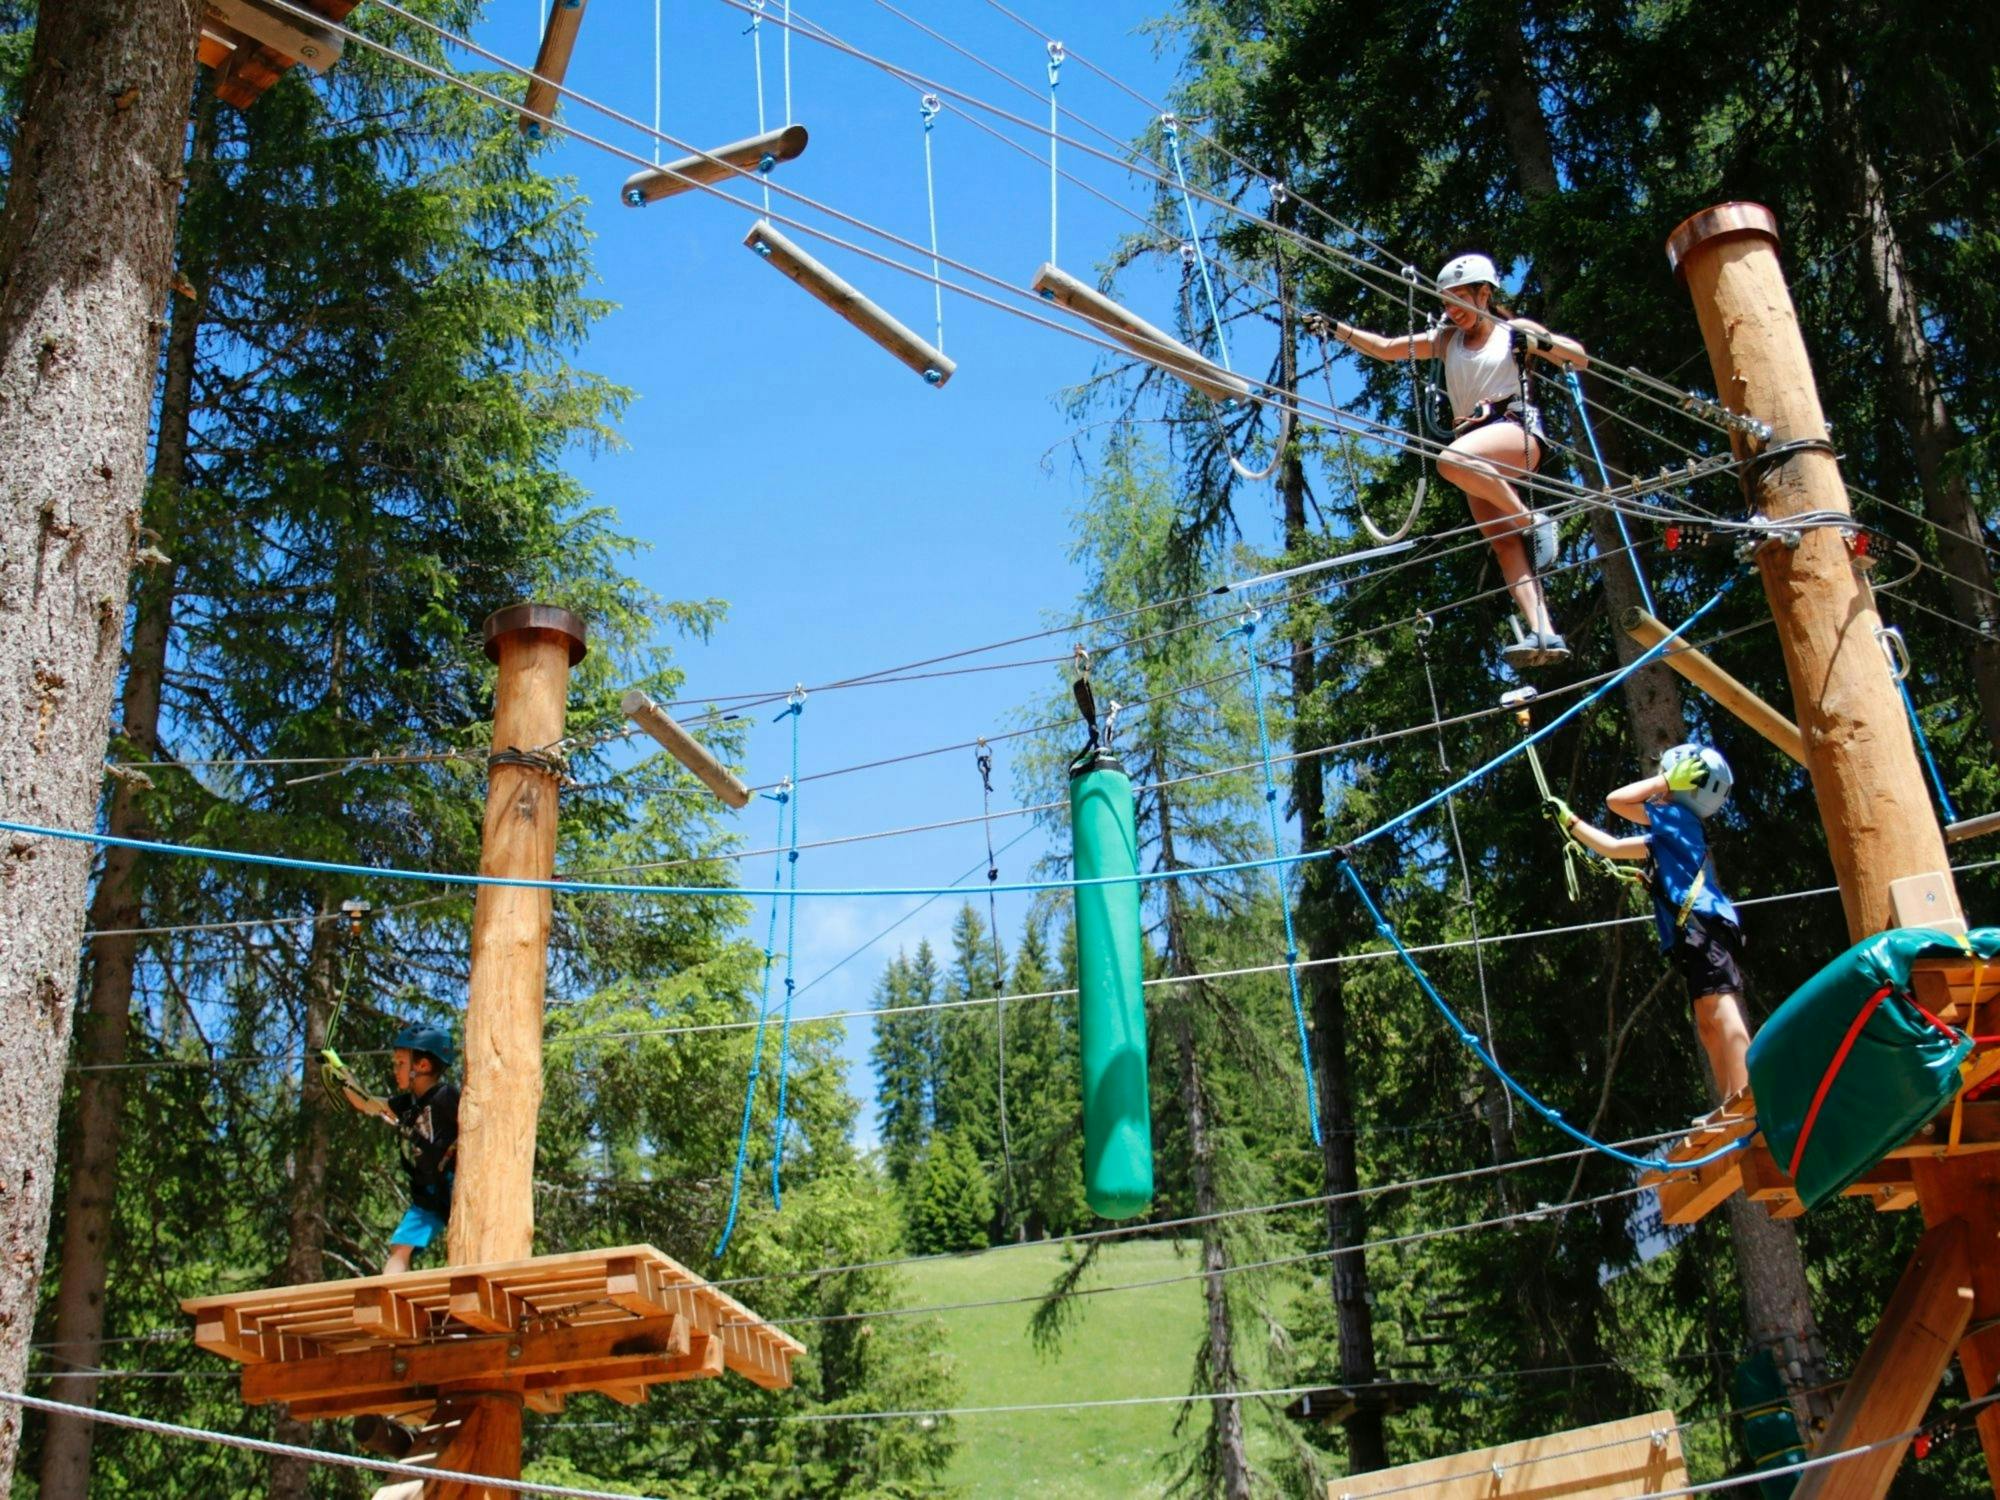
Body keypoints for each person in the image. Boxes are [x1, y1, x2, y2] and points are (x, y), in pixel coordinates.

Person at [1317, 253, 1589, 667]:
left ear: (1485, 294)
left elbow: (1580, 358)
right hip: (1474, 450)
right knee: (1502, 545)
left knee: (1449, 462)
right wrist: (1337, 330)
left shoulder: (1513, 330)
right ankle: (1543, 632)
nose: (1452, 311)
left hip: (1515, 433)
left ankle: (1532, 521)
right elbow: (1388, 349)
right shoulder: (1447, 341)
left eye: (1460, 300)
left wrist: (1540, 344)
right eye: (1446, 302)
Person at [1545, 745, 1754, 1101]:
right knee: (1706, 1020)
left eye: (1671, 777)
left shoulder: (1677, 817)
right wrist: (1571, 823)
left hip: (1702, 923)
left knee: (1720, 1006)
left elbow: (1616, 800)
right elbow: (1612, 847)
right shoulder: (1673, 829)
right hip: (1694, 929)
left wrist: (1662, 780)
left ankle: (1748, 1095)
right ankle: (1731, 1101)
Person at [331, 1022, 459, 1274]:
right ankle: (391, 1297)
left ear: (422, 1066)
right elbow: (366, 1102)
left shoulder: (446, 1097)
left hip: (459, 1184)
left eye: (400, 1063)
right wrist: (339, 1071)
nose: (395, 1069)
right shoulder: (409, 1105)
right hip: (431, 1193)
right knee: (400, 1247)